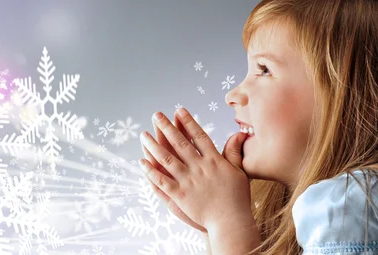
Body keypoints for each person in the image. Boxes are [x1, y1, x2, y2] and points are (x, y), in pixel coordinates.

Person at [138, 0, 378, 254]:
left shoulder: (350, 205)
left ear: (348, 96)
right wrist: (213, 228)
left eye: (264, 70)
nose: (233, 95)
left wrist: (227, 222)